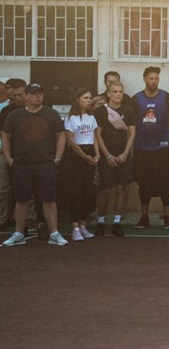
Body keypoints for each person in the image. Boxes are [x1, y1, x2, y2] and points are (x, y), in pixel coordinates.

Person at [1, 83, 68, 246]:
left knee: (49, 199)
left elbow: (61, 135)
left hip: (45, 164)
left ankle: (54, 233)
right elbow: (6, 136)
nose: (39, 96)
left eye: (40, 93)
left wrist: (57, 158)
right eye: (34, 93)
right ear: (26, 96)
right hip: (22, 164)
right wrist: (9, 158)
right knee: (21, 200)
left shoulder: (51, 114)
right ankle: (18, 233)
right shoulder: (14, 115)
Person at [132, 66, 169, 230]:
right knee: (144, 184)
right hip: (141, 149)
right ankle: (144, 217)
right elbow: (131, 124)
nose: (154, 81)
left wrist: (160, 135)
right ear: (144, 78)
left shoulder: (167, 98)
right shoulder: (135, 99)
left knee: (165, 184)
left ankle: (167, 217)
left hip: (162, 149)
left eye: (156, 78)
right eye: (151, 78)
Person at [93, 81, 135, 237]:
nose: (118, 94)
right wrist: (107, 155)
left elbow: (132, 133)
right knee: (105, 190)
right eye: (115, 91)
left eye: (120, 91)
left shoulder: (129, 110)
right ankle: (101, 221)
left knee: (121, 189)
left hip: (123, 156)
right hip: (107, 157)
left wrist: (125, 153)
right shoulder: (100, 112)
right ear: (108, 94)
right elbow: (98, 135)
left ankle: (117, 221)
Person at [61, 88, 99, 241]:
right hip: (76, 156)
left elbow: (94, 136)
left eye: (90, 98)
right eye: (85, 98)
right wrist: (84, 156)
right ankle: (75, 226)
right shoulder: (71, 117)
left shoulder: (91, 117)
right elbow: (70, 140)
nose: (89, 100)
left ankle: (83, 224)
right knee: (75, 191)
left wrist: (97, 154)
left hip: (89, 154)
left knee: (86, 191)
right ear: (77, 100)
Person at [0, 78, 27, 230]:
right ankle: (3, 218)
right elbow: (3, 134)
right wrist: (6, 153)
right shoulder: (6, 111)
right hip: (7, 153)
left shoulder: (33, 109)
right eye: (14, 95)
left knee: (27, 189)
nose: (17, 98)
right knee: (4, 187)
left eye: (20, 95)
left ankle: (29, 219)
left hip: (26, 155)